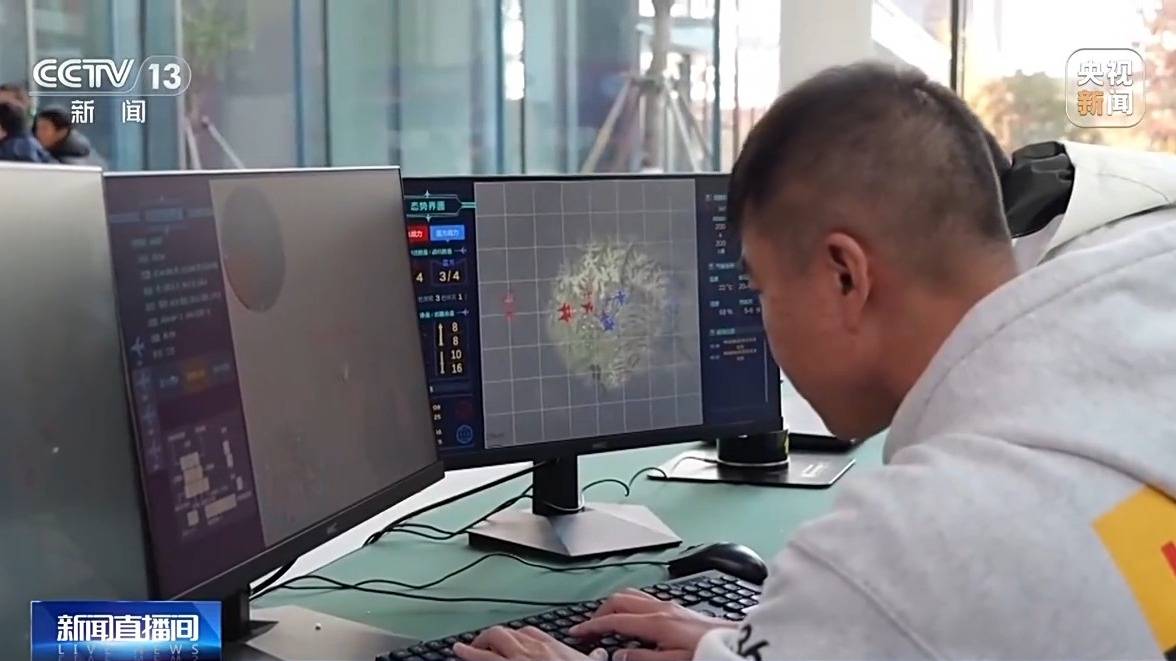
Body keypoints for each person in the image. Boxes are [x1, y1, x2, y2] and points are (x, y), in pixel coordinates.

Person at [453, 61, 1176, 661]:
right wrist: (769, 642)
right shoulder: (1138, 326)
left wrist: (827, 616)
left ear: (844, 276)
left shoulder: (899, 552)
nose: (764, 322)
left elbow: (906, 601)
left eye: (763, 289)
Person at [34, 107, 105, 167]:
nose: (38, 133)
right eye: (37, 128)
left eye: (44, 128)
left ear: (62, 132)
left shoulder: (66, 164)